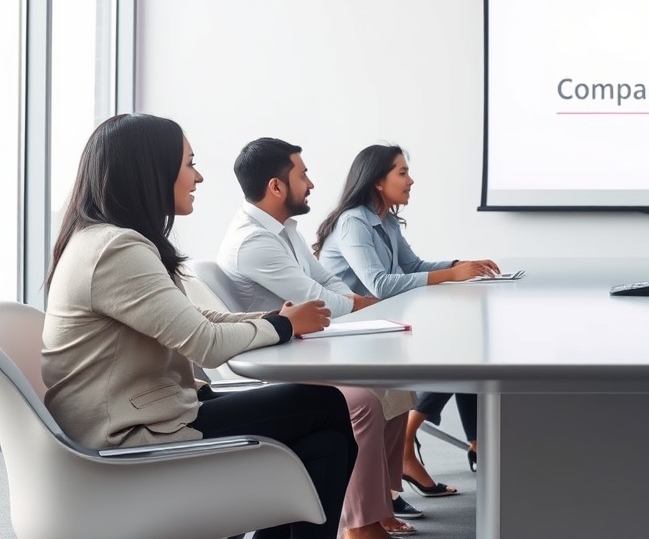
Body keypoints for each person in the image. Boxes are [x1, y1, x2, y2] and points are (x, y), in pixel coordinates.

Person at [41, 114, 353, 539]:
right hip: (126, 440)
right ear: (152, 170)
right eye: (190, 163)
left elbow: (194, 319)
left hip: (142, 419)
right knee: (326, 406)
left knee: (326, 446)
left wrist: (276, 320)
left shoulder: (105, 240)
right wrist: (282, 325)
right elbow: (204, 344)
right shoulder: (116, 248)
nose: (199, 176)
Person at [217, 137, 422, 539]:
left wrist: (363, 304)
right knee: (362, 401)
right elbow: (321, 299)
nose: (311, 183)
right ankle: (359, 524)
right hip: (282, 360)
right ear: (276, 187)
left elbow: (325, 280)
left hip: (308, 346)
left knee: (396, 386)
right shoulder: (253, 242)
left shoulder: (283, 229)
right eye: (302, 174)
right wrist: (371, 306)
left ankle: (378, 505)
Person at [315, 144, 498, 492]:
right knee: (459, 351)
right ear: (377, 181)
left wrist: (460, 267)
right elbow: (380, 284)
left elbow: (412, 267)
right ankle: (412, 450)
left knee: (464, 348)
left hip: (381, 325)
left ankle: (419, 451)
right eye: (402, 172)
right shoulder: (354, 222)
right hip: (352, 332)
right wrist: (451, 276)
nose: (410, 180)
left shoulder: (385, 219)